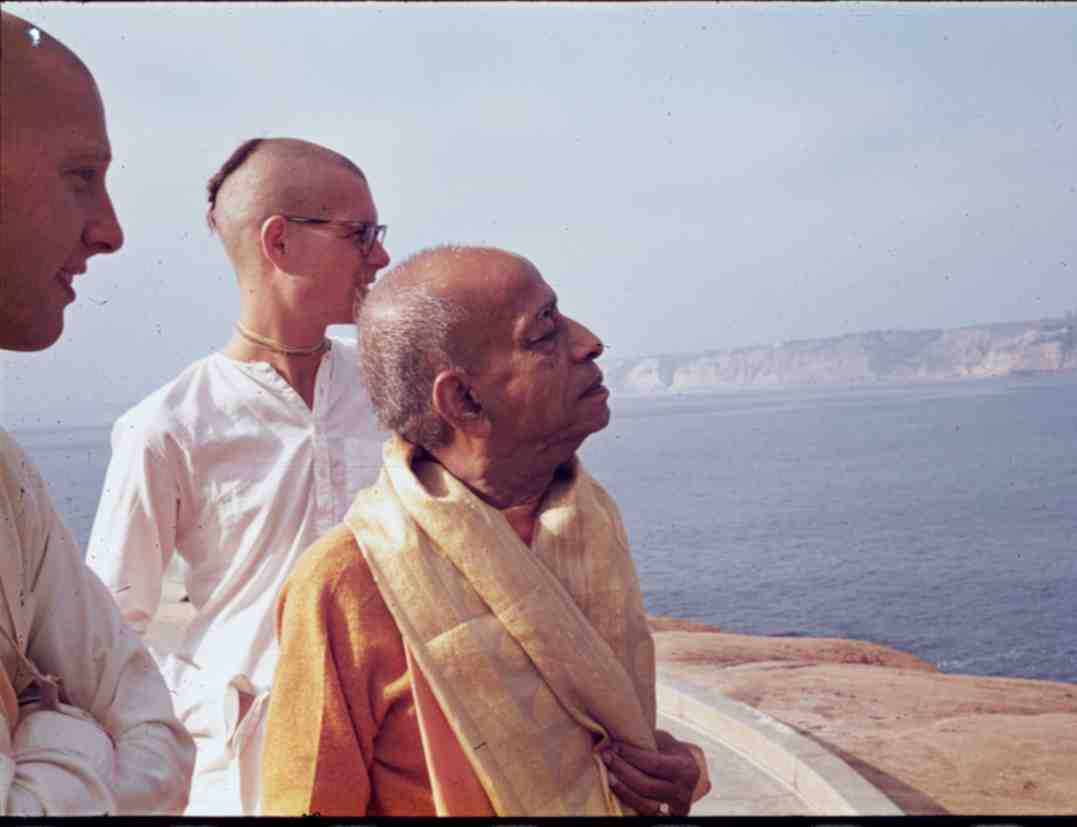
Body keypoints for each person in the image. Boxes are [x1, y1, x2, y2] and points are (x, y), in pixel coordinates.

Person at [260, 245, 711, 816]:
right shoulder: (347, 581)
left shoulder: (588, 519)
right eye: (544, 333)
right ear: (464, 400)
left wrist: (680, 774)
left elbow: (600, 734)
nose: (590, 341)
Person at [84, 137, 392, 814]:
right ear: (279, 242)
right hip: (247, 779)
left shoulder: (391, 390)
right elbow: (103, 633)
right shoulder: (167, 425)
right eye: (361, 234)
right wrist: (221, 699)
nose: (381, 257)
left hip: (399, 763)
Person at [0, 11, 195, 815]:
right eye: (81, 175)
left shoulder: (7, 473)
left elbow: (160, 738)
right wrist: (70, 730)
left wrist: (34, 733)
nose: (110, 232)